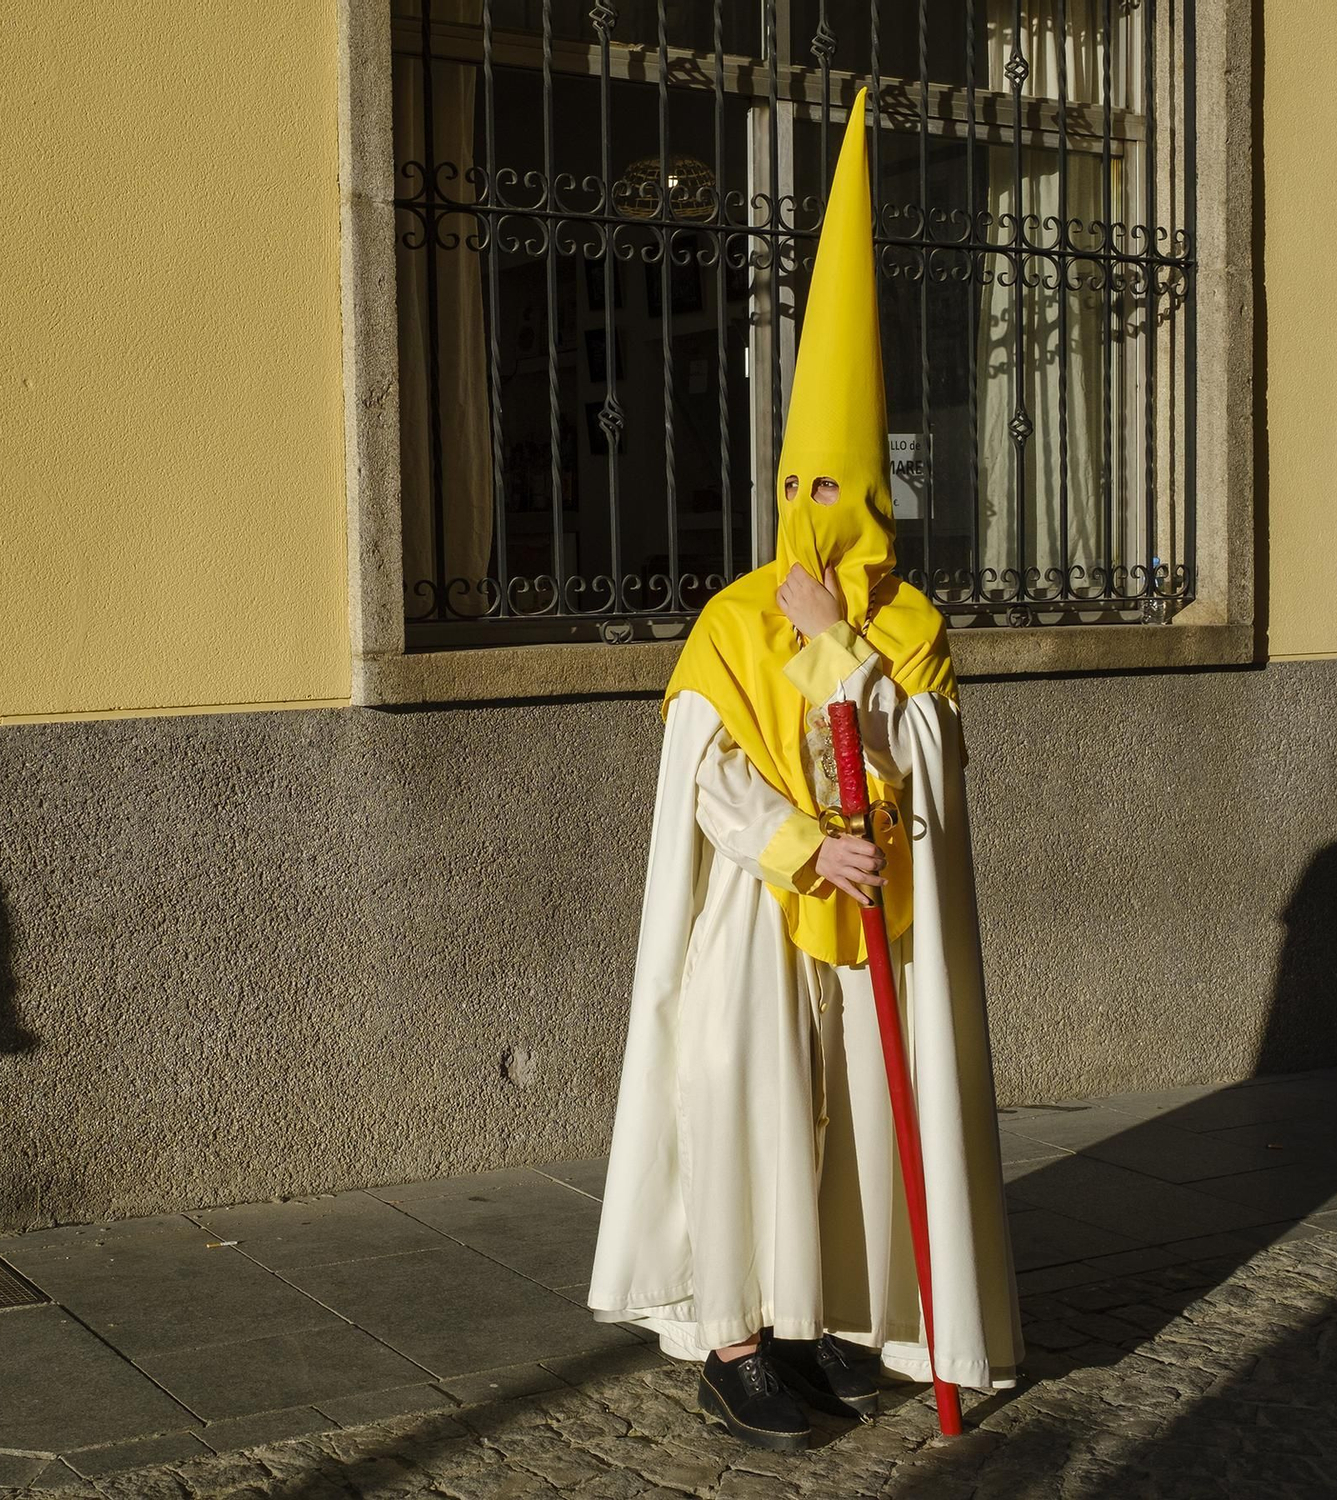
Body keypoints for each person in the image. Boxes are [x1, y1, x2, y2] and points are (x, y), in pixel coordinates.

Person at [587, 90, 1022, 1452]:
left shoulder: (910, 625)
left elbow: (923, 762)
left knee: (836, 1144)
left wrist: (855, 679)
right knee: (749, 1119)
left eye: (840, 498)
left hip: (873, 930)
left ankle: (801, 1328)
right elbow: (703, 781)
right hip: (761, 929)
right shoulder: (735, 618)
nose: (816, 525)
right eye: (801, 496)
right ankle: (733, 1347)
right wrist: (797, 844)